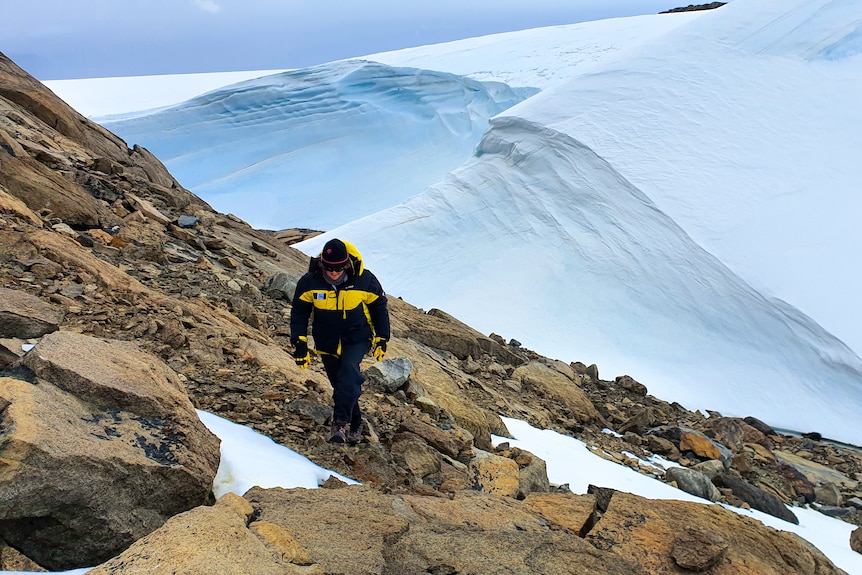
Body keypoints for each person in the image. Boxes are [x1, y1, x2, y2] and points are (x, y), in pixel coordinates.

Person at [290, 238, 390, 444]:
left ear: (346, 264)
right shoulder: (309, 282)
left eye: (338, 269)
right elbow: (299, 313)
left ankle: (340, 425)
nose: (334, 273)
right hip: (326, 341)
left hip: (357, 337)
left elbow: (379, 307)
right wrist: (300, 344)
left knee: (348, 373)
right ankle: (356, 423)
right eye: (329, 269)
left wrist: (382, 338)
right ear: (321, 265)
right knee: (340, 384)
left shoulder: (365, 280)